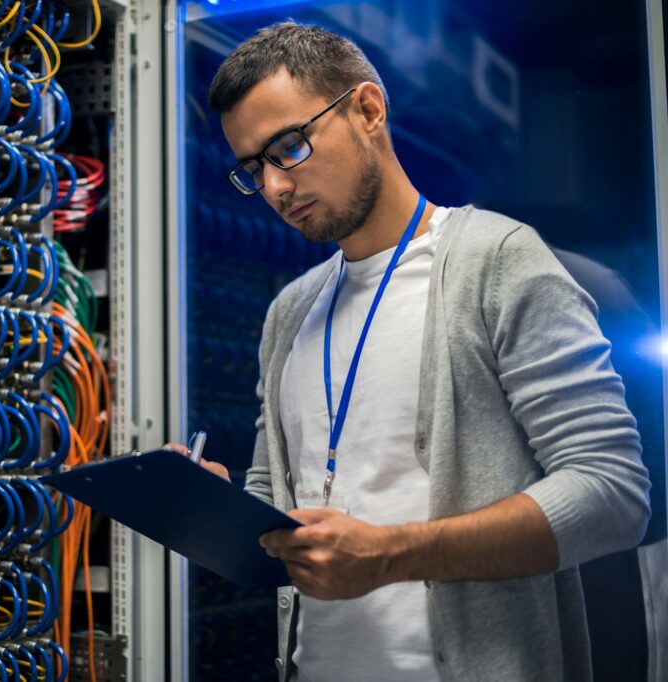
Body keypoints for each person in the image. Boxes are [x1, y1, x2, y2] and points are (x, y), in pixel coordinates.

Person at [169, 22, 652, 682]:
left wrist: (391, 554)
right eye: (254, 168)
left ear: (368, 110)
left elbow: (613, 493)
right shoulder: (290, 313)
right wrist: (212, 501)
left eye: (288, 147)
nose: (276, 188)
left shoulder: (497, 263)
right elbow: (279, 501)